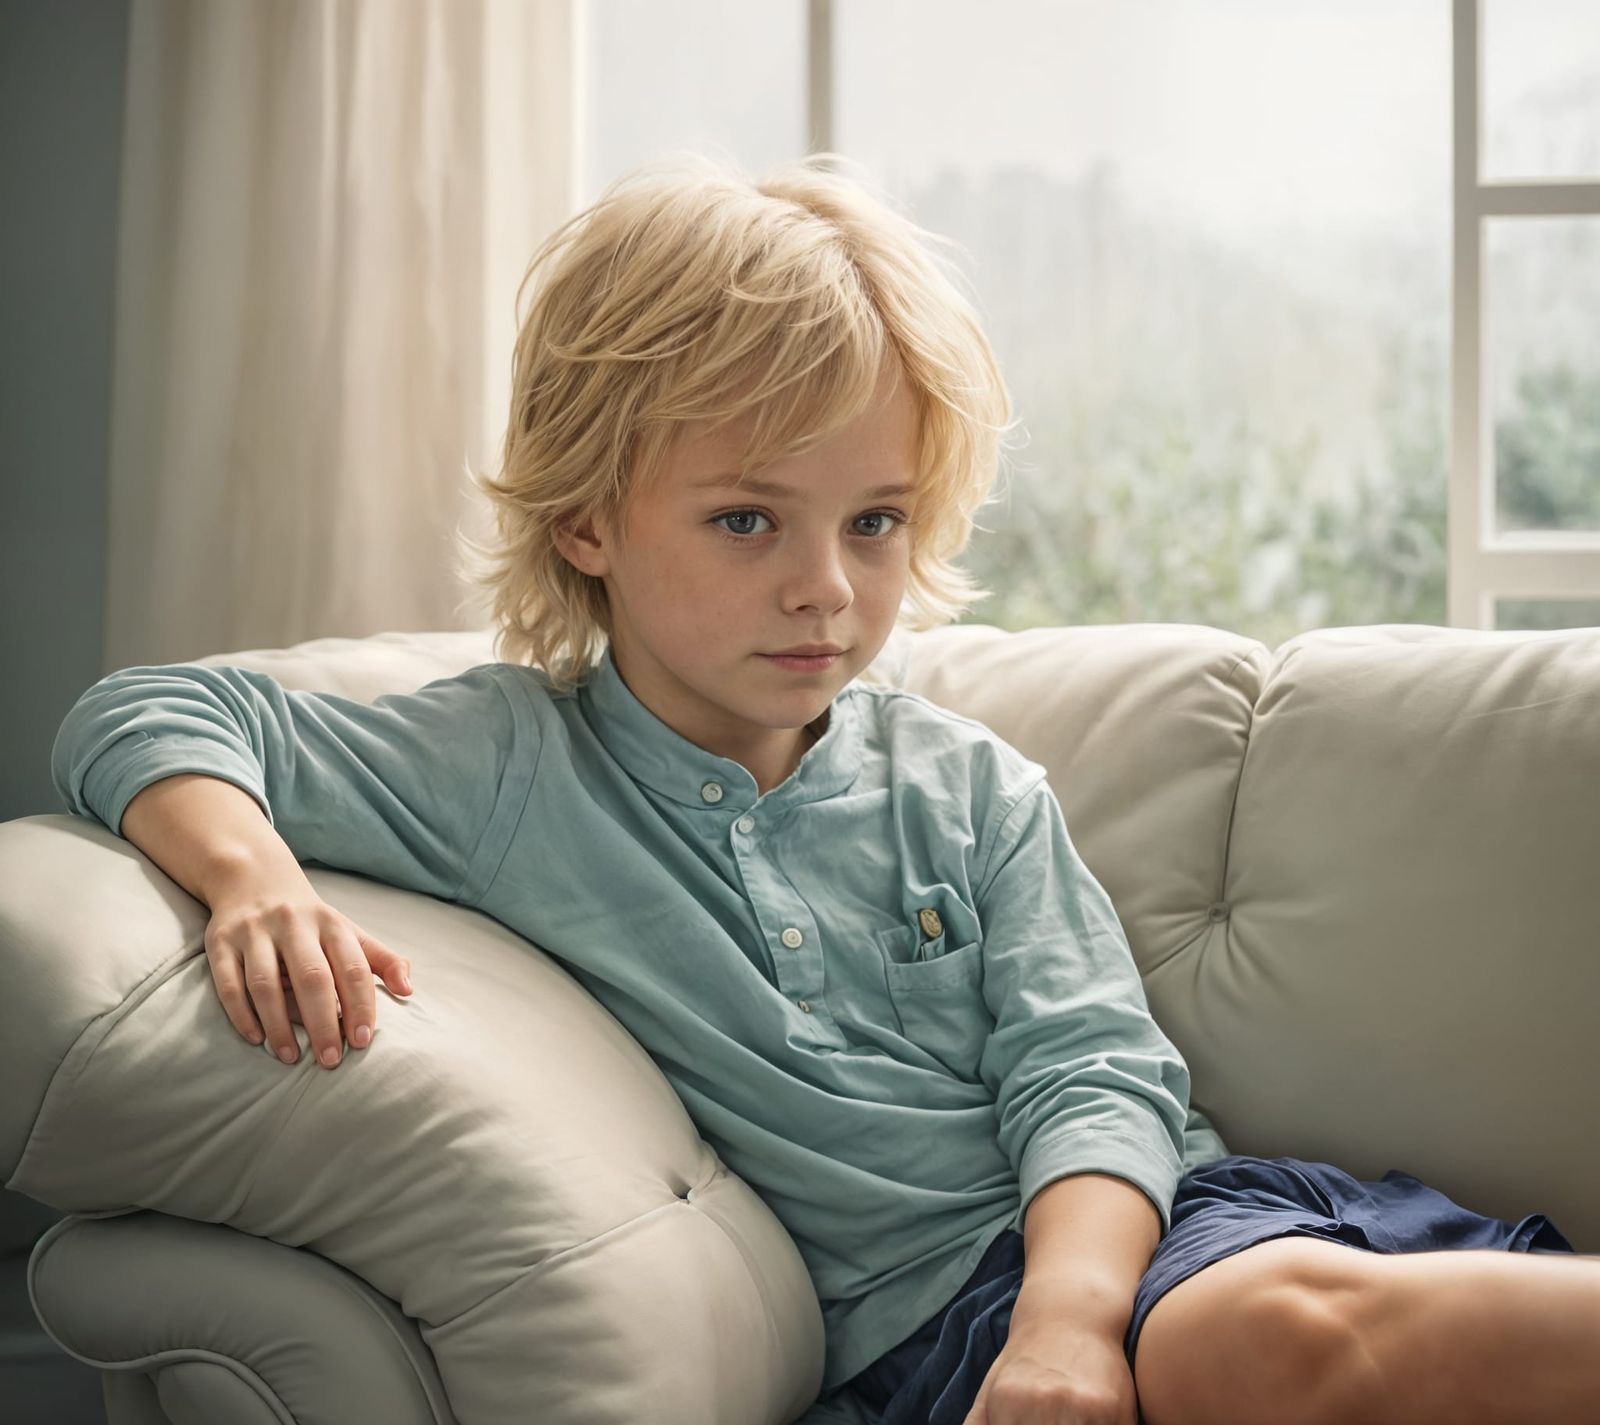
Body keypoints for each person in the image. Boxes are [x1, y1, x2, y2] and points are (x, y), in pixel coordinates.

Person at [52, 152, 1594, 1425]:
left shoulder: (970, 786)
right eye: (745, 521)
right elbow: (157, 708)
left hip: (1149, 1254)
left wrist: (1066, 1325)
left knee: (1232, 1346)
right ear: (587, 518)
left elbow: (1096, 1077)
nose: (827, 591)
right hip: (909, 1361)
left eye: (874, 521)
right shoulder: (510, 767)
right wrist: (250, 871)